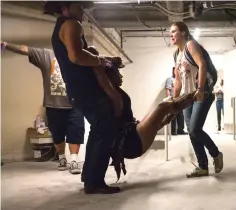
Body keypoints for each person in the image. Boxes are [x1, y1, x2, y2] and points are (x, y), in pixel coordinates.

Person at [47, 1, 124, 194]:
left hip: (77, 90)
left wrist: (104, 59)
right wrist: (101, 62)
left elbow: (79, 54)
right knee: (104, 130)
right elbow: (76, 56)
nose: (83, 10)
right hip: (86, 89)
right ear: (65, 7)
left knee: (99, 130)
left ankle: (91, 178)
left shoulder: (61, 26)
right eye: (78, 6)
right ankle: (94, 182)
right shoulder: (72, 24)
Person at [87, 46, 196, 181]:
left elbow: (110, 63)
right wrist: (99, 64)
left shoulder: (114, 91)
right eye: (117, 73)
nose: (121, 75)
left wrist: (161, 123)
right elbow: (94, 57)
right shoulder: (111, 92)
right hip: (131, 142)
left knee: (161, 110)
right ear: (108, 76)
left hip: (132, 134)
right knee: (163, 107)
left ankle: (196, 95)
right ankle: (198, 94)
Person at [1, 41, 85, 174]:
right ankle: (62, 159)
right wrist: (5, 45)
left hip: (76, 104)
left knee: (76, 133)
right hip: (53, 105)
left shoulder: (79, 57)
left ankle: (73, 161)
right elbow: (26, 49)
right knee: (57, 134)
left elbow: (97, 60)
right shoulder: (47, 55)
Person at [170, 22, 224, 178]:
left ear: (184, 32)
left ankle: (216, 154)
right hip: (187, 97)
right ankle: (203, 167)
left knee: (194, 129)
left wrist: (200, 88)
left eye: (174, 32)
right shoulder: (176, 54)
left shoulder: (190, 45)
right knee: (191, 132)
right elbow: (178, 79)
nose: (171, 35)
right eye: (170, 32)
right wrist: (174, 100)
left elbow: (202, 64)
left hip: (202, 93)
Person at [165, 67, 187, 135]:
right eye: (176, 70)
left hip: (180, 99)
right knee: (173, 116)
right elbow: (168, 89)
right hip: (173, 100)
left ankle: (180, 130)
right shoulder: (170, 79)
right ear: (173, 71)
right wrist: (169, 99)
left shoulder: (181, 79)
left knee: (181, 116)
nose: (177, 72)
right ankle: (173, 131)